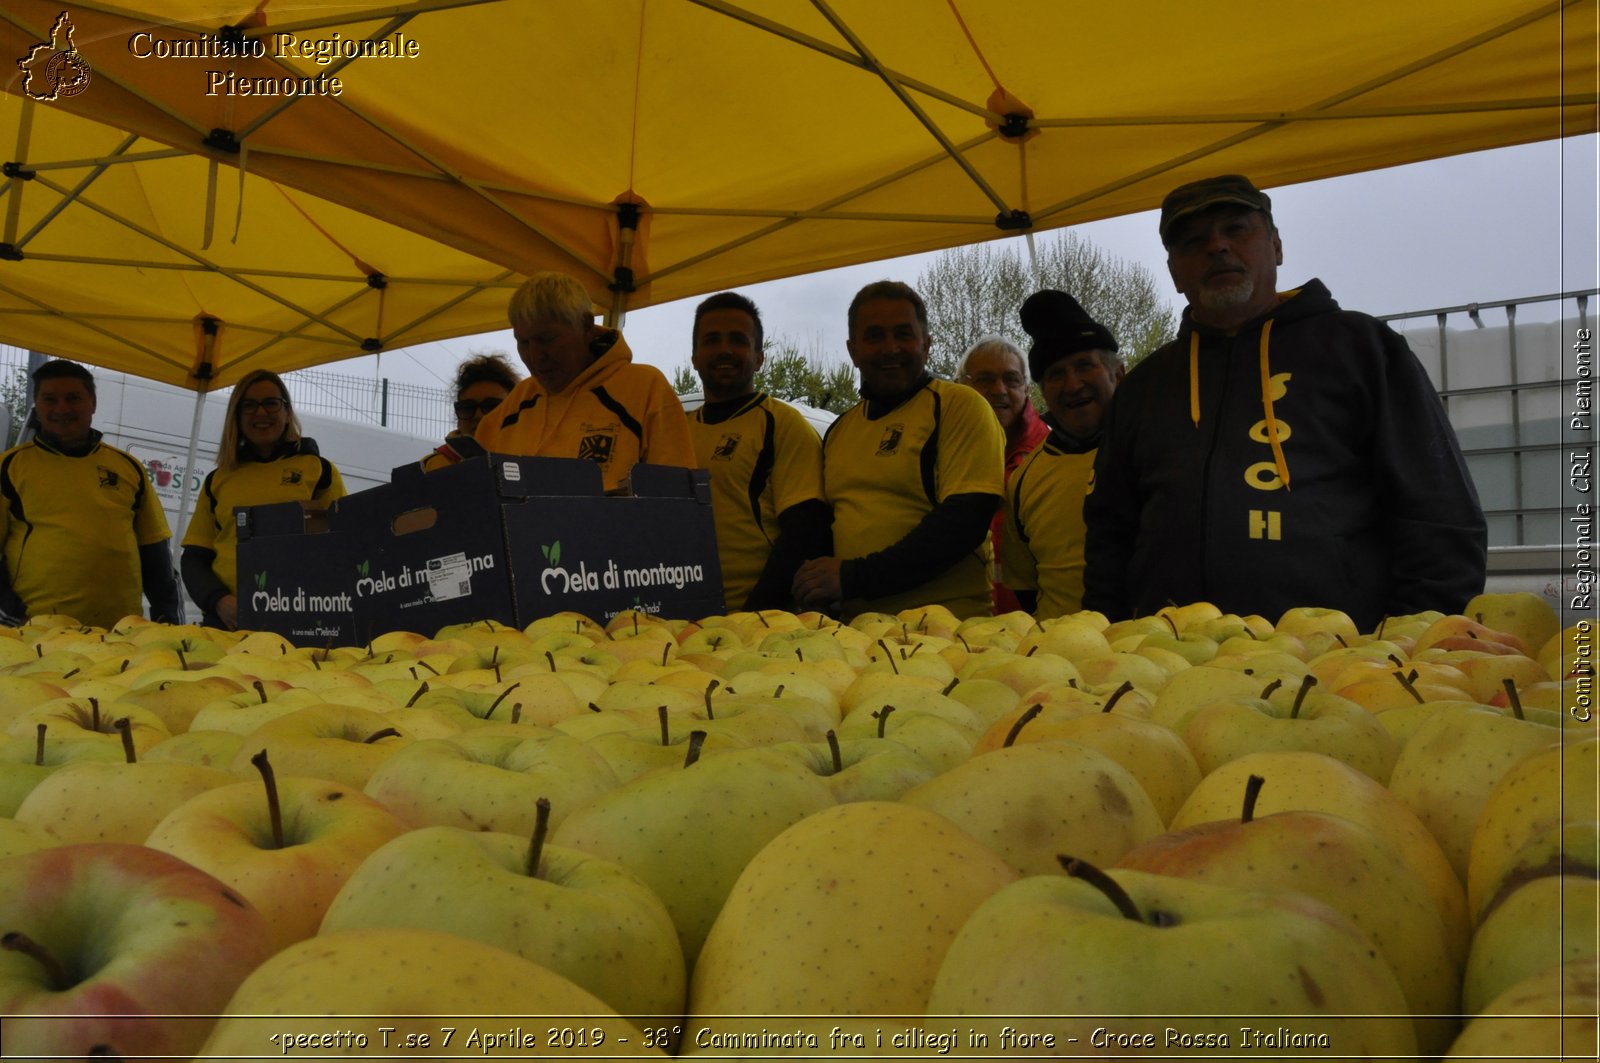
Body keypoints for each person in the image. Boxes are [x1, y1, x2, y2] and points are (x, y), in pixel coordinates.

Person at [1083, 174, 1487, 630]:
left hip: (1339, 667)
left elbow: (1439, 513)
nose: (1217, 247)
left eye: (1236, 229)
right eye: (1193, 241)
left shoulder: (1360, 349)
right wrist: (1107, 638)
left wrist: (1411, 639)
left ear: (1276, 246)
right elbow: (1109, 536)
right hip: (1169, 664)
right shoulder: (1145, 386)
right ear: (1175, 272)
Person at [793, 281, 1006, 620]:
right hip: (859, 636)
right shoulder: (840, 430)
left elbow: (963, 523)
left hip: (947, 628)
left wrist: (853, 577)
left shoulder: (960, 406)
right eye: (874, 336)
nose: (890, 348)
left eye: (904, 334)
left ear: (927, 344)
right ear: (853, 350)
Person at [0, 359, 183, 629]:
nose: (62, 408)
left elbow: (155, 555)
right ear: (37, 406)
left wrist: (167, 621)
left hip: (120, 633)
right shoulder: (9, 468)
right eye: (50, 399)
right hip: (36, 633)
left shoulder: (128, 468)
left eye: (73, 398)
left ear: (93, 403)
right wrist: (16, 616)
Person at [475, 271, 695, 492]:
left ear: (586, 326)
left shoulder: (645, 389)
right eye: (523, 342)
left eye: (546, 340)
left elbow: (678, 501)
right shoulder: (514, 406)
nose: (534, 356)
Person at [686, 292, 830, 612]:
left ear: (759, 358)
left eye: (738, 340)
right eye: (712, 340)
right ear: (694, 356)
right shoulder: (675, 431)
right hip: (681, 617)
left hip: (754, 621)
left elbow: (804, 533)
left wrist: (755, 615)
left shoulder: (782, 424)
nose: (724, 349)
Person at [182, 370, 346, 630]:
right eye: (249, 405)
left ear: (287, 412)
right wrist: (219, 601)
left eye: (271, 403)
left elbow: (344, 547)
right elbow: (193, 559)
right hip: (228, 627)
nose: (260, 414)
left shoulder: (319, 472)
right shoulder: (218, 480)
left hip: (300, 624)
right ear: (236, 415)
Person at [1000, 291, 1125, 620]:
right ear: (1041, 392)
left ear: (1118, 374)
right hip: (1058, 659)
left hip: (1156, 651)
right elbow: (1025, 585)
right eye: (1056, 374)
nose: (1072, 385)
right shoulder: (1025, 478)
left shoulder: (1158, 451)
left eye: (1085, 366)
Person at [956, 336, 1049, 614]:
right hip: (957, 620)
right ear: (961, 386)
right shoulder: (940, 450)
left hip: (1037, 624)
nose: (999, 390)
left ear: (1026, 388)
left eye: (1011, 379)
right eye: (984, 379)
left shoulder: (1051, 454)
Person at [420, 354, 520, 471]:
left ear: (516, 413)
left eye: (492, 406)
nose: (478, 415)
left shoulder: (535, 454)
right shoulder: (438, 466)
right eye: (467, 407)